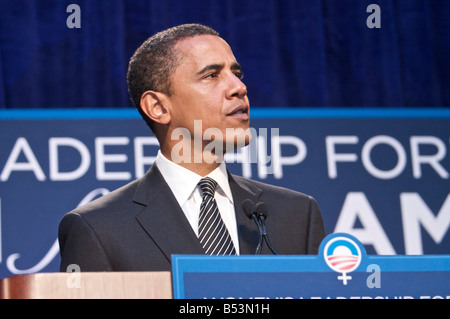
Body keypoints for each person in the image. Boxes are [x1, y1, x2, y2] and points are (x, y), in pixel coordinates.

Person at [58, 23, 325, 272]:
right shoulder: (98, 228)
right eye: (211, 75)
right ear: (158, 107)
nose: (239, 87)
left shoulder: (297, 215)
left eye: (236, 73)